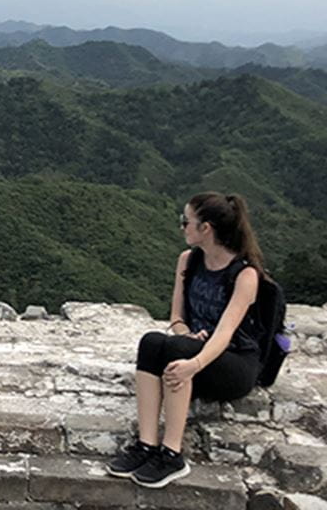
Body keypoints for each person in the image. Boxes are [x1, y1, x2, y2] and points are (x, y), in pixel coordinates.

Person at [106, 192, 266, 488]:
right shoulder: (188, 262)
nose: (182, 227)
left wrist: (194, 362)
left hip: (235, 363)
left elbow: (225, 333)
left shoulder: (244, 275)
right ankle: (146, 445)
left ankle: (172, 453)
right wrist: (188, 337)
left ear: (206, 228)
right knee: (152, 342)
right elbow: (177, 319)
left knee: (178, 349)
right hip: (196, 348)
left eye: (186, 221)